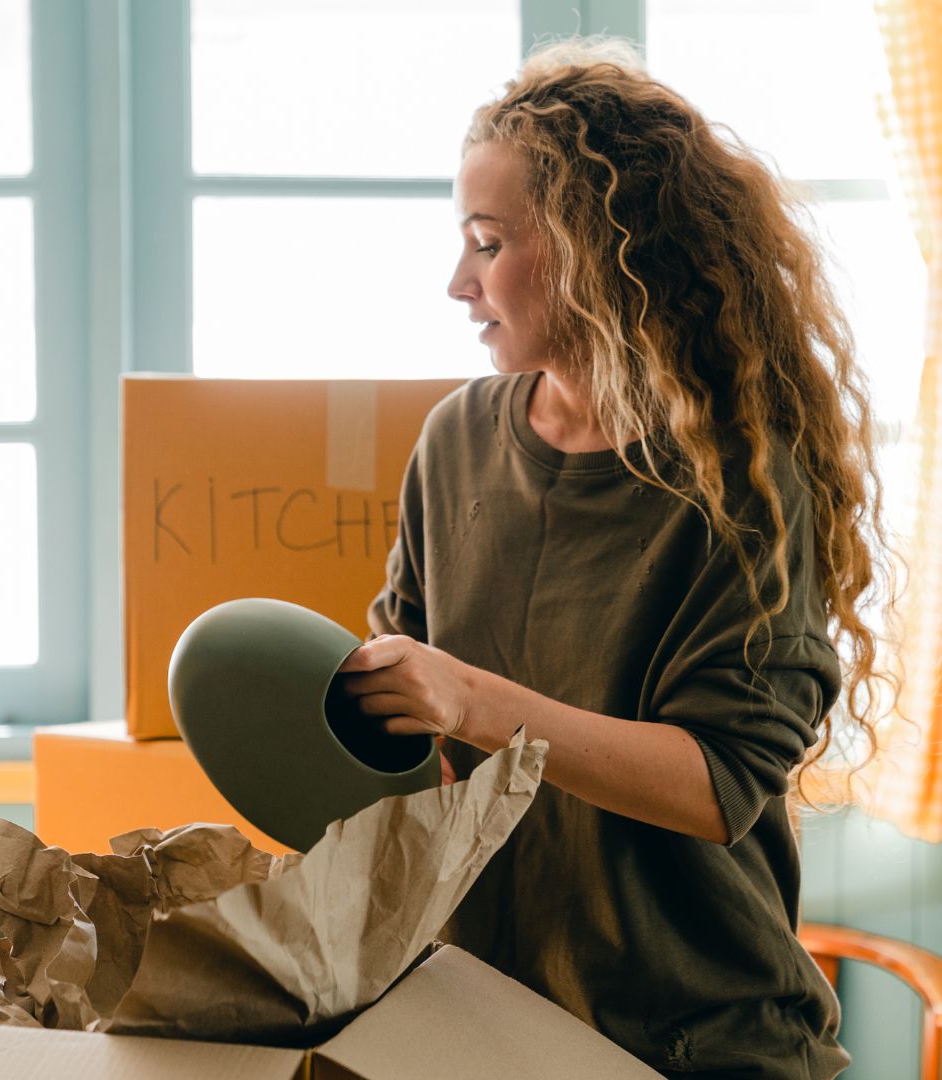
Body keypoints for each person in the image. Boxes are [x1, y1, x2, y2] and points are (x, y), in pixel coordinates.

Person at [336, 35, 895, 1080]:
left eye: (489, 243)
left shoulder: (746, 481)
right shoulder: (455, 439)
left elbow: (719, 782)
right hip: (486, 1027)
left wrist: (471, 703)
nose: (459, 282)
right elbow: (416, 726)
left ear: (602, 248)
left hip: (696, 1043)